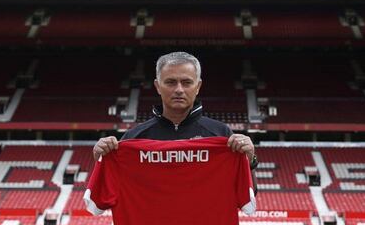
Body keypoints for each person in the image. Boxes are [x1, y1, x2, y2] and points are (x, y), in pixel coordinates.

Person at [92, 51, 258, 190]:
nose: (179, 89)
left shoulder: (222, 136)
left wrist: (250, 161)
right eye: (171, 82)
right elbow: (109, 193)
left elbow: (248, 195)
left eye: (186, 82)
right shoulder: (134, 138)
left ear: (198, 86)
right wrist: (101, 161)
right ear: (157, 86)